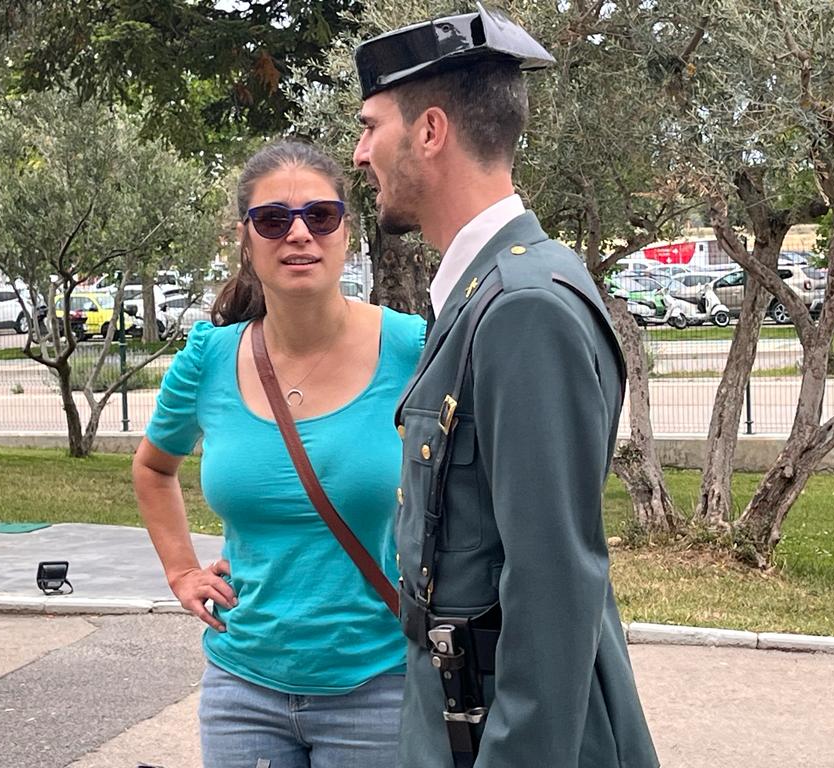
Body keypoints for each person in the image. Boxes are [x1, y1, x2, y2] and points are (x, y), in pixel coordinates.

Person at [352, 7, 659, 768]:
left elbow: (553, 586)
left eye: (370, 128)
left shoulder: (521, 305)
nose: (360, 154)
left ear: (429, 131)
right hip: (460, 714)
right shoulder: (486, 292)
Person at [132, 140, 425, 768]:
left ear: (346, 231)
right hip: (243, 690)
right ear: (245, 238)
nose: (299, 234)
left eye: (320, 215)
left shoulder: (410, 348)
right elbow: (153, 467)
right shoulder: (209, 357)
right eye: (272, 219)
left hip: (379, 684)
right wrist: (181, 572)